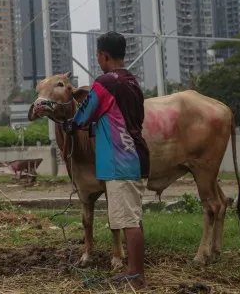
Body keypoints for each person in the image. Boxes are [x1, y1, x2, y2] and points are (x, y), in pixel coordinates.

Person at [62, 31, 149, 289]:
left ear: (103, 55)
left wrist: (69, 123)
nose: (98, 60)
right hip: (137, 155)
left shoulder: (104, 83)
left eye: (98, 56)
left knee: (129, 221)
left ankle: (137, 276)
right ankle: (133, 271)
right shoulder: (132, 81)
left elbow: (84, 116)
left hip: (120, 161)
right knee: (131, 217)